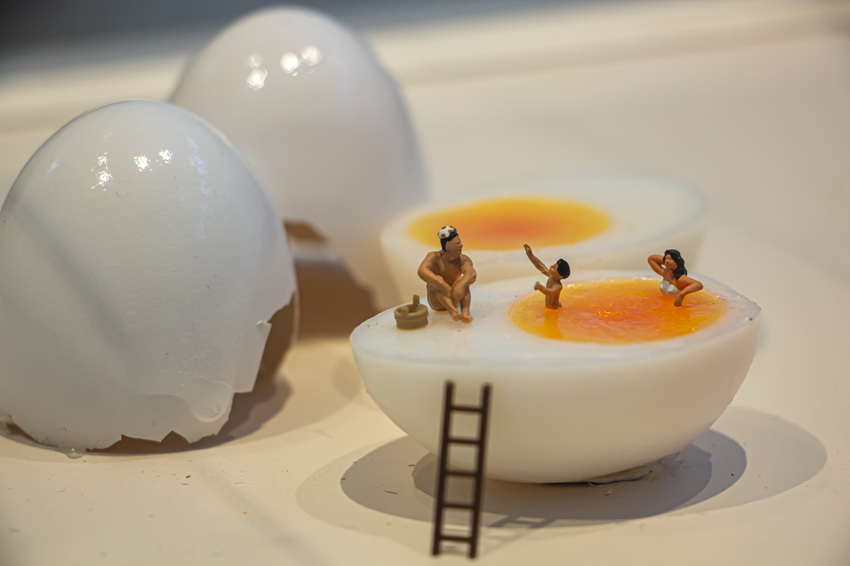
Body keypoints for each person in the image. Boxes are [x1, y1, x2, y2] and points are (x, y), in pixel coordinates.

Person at [417, 226, 477, 323]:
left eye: (460, 242)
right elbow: (422, 271)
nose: (461, 245)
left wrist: (461, 285)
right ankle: (453, 311)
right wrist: (443, 286)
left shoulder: (463, 259)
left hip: (455, 296)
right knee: (437, 280)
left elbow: (471, 273)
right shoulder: (435, 257)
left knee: (463, 280)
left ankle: (465, 312)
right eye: (457, 243)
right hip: (437, 300)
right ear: (447, 245)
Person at [523, 243, 570, 309]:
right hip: (549, 308)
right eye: (553, 265)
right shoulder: (552, 276)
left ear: (560, 276)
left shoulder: (558, 286)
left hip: (554, 310)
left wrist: (540, 287)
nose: (551, 266)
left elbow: (549, 292)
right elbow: (540, 266)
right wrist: (530, 254)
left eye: (553, 268)